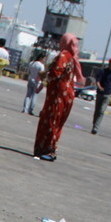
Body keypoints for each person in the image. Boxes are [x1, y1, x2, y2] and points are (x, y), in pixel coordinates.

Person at [33, 33, 85, 161]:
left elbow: (55, 74)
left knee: (51, 121)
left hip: (57, 95)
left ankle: (47, 149)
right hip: (66, 96)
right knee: (57, 124)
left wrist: (44, 76)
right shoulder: (72, 58)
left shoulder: (63, 56)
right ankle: (51, 149)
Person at [91, 57, 111, 135]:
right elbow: (97, 80)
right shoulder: (103, 71)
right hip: (100, 93)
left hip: (108, 94)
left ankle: (96, 127)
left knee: (101, 111)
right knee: (97, 110)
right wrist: (99, 87)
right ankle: (94, 124)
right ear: (110, 63)